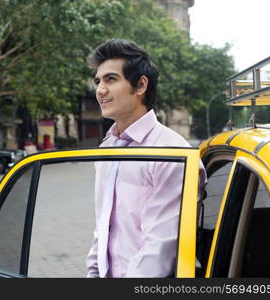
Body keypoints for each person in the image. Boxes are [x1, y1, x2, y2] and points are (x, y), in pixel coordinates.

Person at [86, 39, 206, 278]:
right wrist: (92, 274)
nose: (100, 90)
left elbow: (160, 250)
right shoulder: (108, 147)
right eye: (98, 81)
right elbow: (103, 227)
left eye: (110, 79)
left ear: (140, 85)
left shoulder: (173, 153)